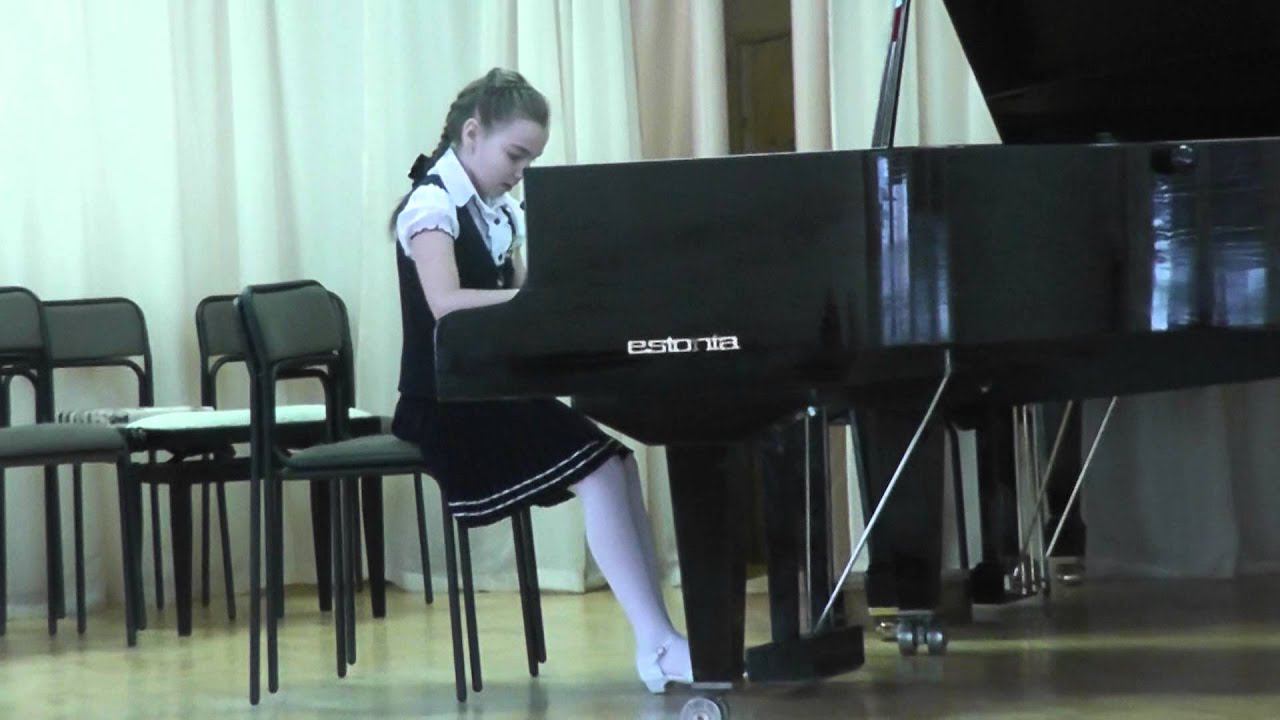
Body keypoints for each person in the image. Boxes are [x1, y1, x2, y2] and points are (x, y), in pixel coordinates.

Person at [388, 68, 693, 693]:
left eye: (530, 160)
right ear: (472, 134)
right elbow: (445, 303)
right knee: (601, 472)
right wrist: (544, 302)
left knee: (620, 465)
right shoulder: (430, 205)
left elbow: (524, 299)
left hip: (486, 392)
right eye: (516, 155)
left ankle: (662, 637)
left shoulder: (494, 210)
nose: (522, 171)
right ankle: (658, 645)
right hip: (444, 404)